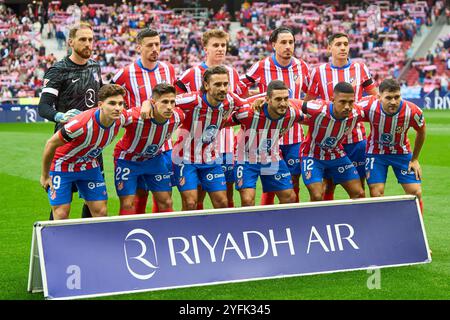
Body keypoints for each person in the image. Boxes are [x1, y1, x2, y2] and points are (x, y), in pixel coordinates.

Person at [143, 66, 248, 211]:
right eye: (217, 84)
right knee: (190, 203)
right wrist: (147, 103)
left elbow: (246, 106)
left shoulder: (230, 99)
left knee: (222, 202)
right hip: (185, 158)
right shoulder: (192, 99)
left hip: (210, 158)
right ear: (206, 85)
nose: (223, 88)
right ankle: (188, 233)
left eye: (225, 84)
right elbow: (165, 100)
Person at [38, 22, 102, 219]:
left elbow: (99, 96)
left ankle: (89, 244)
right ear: (71, 42)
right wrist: (60, 116)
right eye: (82, 39)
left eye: (90, 39)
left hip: (92, 144)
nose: (88, 44)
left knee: (94, 202)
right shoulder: (58, 70)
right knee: (61, 206)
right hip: (65, 144)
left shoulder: (95, 66)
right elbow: (43, 107)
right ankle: (52, 245)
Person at [175, 29, 245, 210]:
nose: (220, 49)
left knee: (225, 194)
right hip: (194, 145)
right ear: (205, 48)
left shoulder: (233, 74)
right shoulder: (190, 75)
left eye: (223, 45)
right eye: (216, 45)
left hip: (226, 143)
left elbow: (239, 105)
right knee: (196, 196)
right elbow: (178, 108)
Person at [240, 26, 311, 205]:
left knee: (292, 181)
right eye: (283, 42)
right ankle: (268, 220)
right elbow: (239, 89)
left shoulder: (301, 66)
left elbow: (310, 93)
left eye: (291, 42)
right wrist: (257, 99)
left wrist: (298, 109)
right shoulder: (262, 65)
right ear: (274, 45)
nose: (288, 46)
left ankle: (290, 219)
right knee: (270, 182)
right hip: (267, 136)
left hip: (293, 135)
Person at [305, 32, 378, 200]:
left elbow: (375, 97)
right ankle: (327, 221)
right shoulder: (318, 72)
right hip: (327, 140)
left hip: (355, 139)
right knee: (327, 185)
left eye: (345, 43)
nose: (343, 47)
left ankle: (359, 222)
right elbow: (308, 103)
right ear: (329, 47)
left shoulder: (360, 68)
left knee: (359, 187)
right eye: (338, 44)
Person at [112, 28, 176, 214]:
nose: (155, 48)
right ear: (139, 47)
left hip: (164, 146)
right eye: (150, 45)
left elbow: (172, 99)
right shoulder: (125, 74)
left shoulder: (168, 69)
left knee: (164, 196)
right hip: (137, 143)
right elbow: (110, 100)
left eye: (157, 44)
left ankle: (161, 235)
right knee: (139, 195)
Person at [39, 84, 126, 220]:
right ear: (100, 105)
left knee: (101, 212)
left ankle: (95, 241)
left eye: (121, 104)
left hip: (89, 165)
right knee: (61, 214)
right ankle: (61, 241)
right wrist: (45, 176)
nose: (117, 108)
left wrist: (148, 103)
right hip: (62, 165)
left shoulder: (121, 118)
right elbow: (51, 143)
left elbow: (139, 113)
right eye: (112, 103)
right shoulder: (81, 124)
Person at [225, 80, 302, 206]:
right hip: (245, 158)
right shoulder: (249, 113)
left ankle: (278, 225)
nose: (283, 103)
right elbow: (223, 122)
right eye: (278, 99)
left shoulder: (293, 113)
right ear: (268, 99)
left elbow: (311, 113)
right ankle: (250, 226)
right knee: (247, 200)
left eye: (285, 99)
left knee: (289, 197)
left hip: (272, 156)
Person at [113, 84, 182, 215]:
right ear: (153, 102)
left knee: (166, 202)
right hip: (127, 160)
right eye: (164, 102)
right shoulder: (134, 117)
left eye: (172, 102)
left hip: (154, 160)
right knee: (128, 204)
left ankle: (166, 233)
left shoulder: (178, 117)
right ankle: (125, 234)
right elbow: (113, 116)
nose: (169, 106)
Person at [360, 78, 426, 214]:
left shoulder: (413, 111)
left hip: (402, 153)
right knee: (376, 194)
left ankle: (417, 230)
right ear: (379, 97)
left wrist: (414, 159)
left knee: (416, 192)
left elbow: (421, 131)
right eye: (388, 98)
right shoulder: (367, 106)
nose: (393, 102)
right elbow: (348, 115)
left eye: (397, 97)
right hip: (376, 153)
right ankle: (381, 227)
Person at [301, 82, 366, 201]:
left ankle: (357, 220)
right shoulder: (318, 108)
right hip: (312, 155)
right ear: (333, 100)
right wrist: (262, 100)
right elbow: (291, 103)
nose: (347, 106)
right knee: (317, 195)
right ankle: (315, 219)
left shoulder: (358, 112)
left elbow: (376, 103)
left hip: (336, 154)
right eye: (342, 102)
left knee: (359, 193)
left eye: (351, 102)